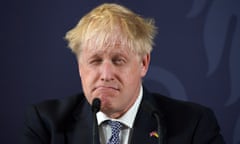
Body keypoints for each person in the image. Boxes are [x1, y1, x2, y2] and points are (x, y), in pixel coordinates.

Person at [23, 3, 225, 144]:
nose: (106, 74)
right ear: (79, 67)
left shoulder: (194, 125)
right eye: (95, 61)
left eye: (118, 60)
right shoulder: (46, 124)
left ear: (143, 63)